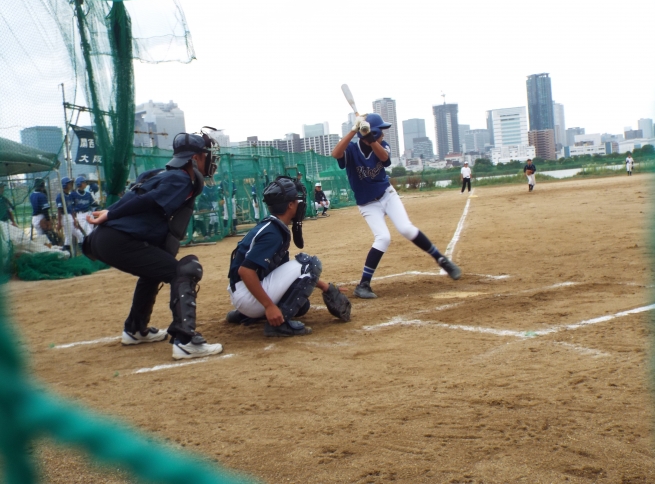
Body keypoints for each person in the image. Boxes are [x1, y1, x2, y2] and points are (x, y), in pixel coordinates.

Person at [84, 130, 223, 360]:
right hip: (118, 239)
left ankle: (135, 329)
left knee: (154, 271)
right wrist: (111, 214)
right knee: (184, 271)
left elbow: (136, 196)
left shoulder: (159, 174)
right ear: (194, 158)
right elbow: (146, 200)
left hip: (107, 238)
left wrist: (111, 212)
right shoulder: (181, 179)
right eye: (205, 155)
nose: (209, 160)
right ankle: (186, 341)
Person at [330, 113, 462, 299]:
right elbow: (336, 154)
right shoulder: (351, 149)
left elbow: (384, 159)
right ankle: (363, 285)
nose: (383, 135)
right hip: (367, 204)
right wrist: (353, 130)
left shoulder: (382, 145)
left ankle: (442, 260)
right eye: (380, 132)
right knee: (383, 238)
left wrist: (371, 138)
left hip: (387, 195)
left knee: (406, 228)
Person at [226, 176, 351, 336]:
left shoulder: (271, 225)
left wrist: (325, 287)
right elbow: (245, 271)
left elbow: (282, 271)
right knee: (310, 264)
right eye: (296, 200)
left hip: (243, 292)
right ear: (290, 205)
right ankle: (278, 324)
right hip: (247, 295)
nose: (299, 203)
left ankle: (247, 314)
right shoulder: (273, 234)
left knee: (302, 305)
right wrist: (269, 306)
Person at [29, 178, 60, 246]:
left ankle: (42, 248)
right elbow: (45, 210)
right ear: (42, 186)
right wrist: (48, 220)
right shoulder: (41, 195)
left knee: (40, 236)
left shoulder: (31, 195)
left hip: (34, 218)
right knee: (45, 238)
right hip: (41, 218)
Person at [56, 177, 84, 251]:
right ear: (64, 185)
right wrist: (59, 222)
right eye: (69, 183)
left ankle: (82, 249)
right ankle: (66, 252)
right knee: (68, 237)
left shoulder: (69, 195)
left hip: (70, 217)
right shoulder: (60, 196)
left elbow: (72, 209)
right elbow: (59, 210)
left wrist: (74, 219)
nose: (71, 184)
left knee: (79, 234)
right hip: (64, 217)